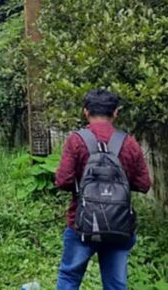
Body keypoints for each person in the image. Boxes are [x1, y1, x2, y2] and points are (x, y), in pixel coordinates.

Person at [55, 90, 152, 290]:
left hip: (81, 224)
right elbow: (144, 184)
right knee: (116, 284)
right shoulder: (129, 142)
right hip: (119, 225)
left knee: (69, 277)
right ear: (116, 112)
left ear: (85, 112)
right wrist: (118, 185)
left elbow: (62, 180)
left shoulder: (76, 140)